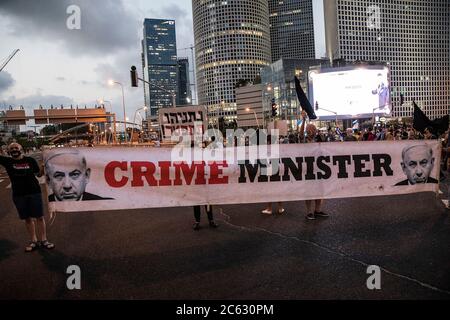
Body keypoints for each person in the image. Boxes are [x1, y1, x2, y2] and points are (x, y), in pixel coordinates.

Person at [0, 143, 54, 252]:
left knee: (39, 217)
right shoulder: (7, 162)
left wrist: (43, 167)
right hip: (19, 195)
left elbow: (39, 175)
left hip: (34, 192)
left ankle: (44, 240)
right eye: (11, 149)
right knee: (27, 219)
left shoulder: (30, 160)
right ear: (8, 151)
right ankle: (33, 241)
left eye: (16, 148)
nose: (14, 150)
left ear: (21, 149)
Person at [45, 150, 113, 201]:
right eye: (59, 176)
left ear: (87, 176)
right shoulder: (41, 207)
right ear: (48, 181)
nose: (67, 185)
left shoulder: (105, 203)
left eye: (74, 175)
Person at [299, 111, 329, 220]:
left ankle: (318, 210)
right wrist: (303, 121)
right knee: (309, 192)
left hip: (319, 169)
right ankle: (309, 212)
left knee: (319, 191)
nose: (310, 131)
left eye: (313, 129)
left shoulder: (319, 140)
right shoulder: (304, 141)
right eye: (309, 129)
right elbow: (300, 134)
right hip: (308, 169)